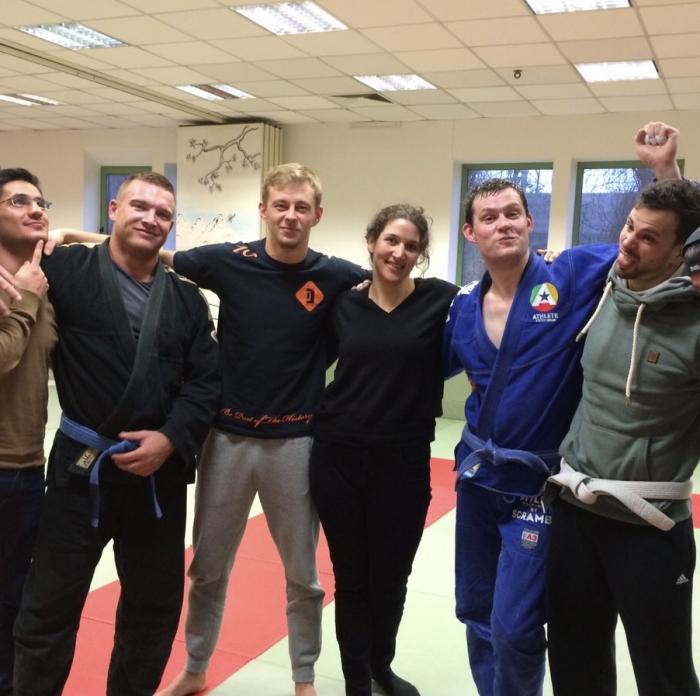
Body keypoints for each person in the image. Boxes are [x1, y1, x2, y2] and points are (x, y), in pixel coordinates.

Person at [443, 121, 683, 696]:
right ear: (470, 233)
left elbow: (663, 240)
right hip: (477, 480)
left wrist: (664, 171)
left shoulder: (571, 276)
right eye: (489, 217)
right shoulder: (460, 307)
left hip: (540, 488)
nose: (503, 223)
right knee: (474, 610)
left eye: (513, 213)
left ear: (531, 222)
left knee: (516, 629)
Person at [153, 163, 368, 696]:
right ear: (264, 210)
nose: (291, 215)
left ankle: (303, 677)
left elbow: (392, 282)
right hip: (225, 439)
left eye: (301, 207)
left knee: (303, 575)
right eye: (282, 205)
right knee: (206, 567)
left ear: (317, 215)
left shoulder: (336, 275)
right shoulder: (229, 261)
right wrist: (71, 236)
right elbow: (153, 251)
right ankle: (197, 666)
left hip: (295, 443)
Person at [11, 172, 220, 696]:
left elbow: (206, 383)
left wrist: (170, 439)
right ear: (113, 210)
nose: (150, 219)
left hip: (157, 477)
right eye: (139, 206)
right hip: (80, 468)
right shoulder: (65, 270)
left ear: (171, 225)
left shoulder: (188, 301)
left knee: (153, 608)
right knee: (48, 604)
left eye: (163, 213)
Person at [546, 178, 700, 696]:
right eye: (630, 225)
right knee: (575, 667)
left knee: (665, 677)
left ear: (681, 252)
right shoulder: (607, 286)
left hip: (649, 528)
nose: (629, 240)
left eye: (648, 237)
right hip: (575, 511)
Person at [309, 205, 458, 696]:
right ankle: (356, 681)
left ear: (421, 254)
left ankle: (380, 667)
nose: (399, 253)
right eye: (391, 240)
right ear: (372, 242)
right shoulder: (342, 303)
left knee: (391, 578)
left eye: (411, 246)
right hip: (338, 456)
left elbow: (500, 299)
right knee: (351, 579)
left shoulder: (441, 299)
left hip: (404, 461)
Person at [0, 168, 57, 696]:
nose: (36, 209)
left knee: (16, 596)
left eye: (41, 202)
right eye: (19, 201)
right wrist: (25, 303)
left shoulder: (41, 283)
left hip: (27, 467)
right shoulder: (23, 291)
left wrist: (72, 235)